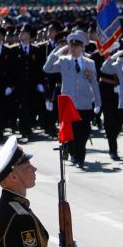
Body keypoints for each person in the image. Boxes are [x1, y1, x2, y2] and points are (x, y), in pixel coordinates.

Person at [42, 31, 101, 168]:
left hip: (85, 103)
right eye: (71, 46)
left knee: (84, 132)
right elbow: (47, 68)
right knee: (71, 132)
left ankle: (79, 154)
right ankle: (76, 156)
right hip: (68, 104)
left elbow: (94, 84)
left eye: (77, 46)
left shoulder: (89, 63)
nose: (74, 48)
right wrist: (57, 51)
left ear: (82, 47)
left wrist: (98, 103)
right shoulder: (63, 61)